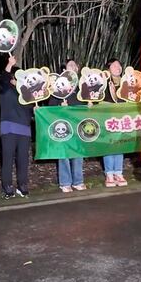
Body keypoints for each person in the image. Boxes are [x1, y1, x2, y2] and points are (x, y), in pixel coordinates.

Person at [0, 56, 34, 199]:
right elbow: (2, 79)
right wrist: (9, 65)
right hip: (8, 128)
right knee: (7, 159)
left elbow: (31, 109)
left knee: (23, 159)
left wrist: (35, 108)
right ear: (12, 78)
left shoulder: (26, 94)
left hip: (24, 129)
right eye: (17, 77)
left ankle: (22, 185)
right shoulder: (5, 89)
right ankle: (7, 186)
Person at [56, 59, 86, 193]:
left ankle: (78, 181)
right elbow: (50, 105)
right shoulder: (57, 87)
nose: (73, 67)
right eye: (70, 65)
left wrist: (90, 104)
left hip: (78, 125)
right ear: (63, 71)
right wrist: (59, 106)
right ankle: (65, 182)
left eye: (75, 65)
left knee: (78, 153)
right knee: (64, 155)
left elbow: (92, 101)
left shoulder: (83, 86)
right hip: (63, 126)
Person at [102, 58, 127, 187]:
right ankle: (109, 174)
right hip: (108, 119)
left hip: (122, 119)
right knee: (109, 145)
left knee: (120, 145)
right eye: (114, 65)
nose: (118, 67)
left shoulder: (127, 83)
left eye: (119, 65)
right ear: (108, 68)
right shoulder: (103, 83)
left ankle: (119, 172)